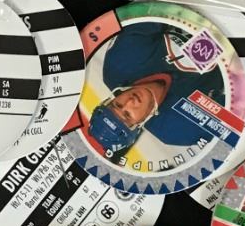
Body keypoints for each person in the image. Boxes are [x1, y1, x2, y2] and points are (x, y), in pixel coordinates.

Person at [85, 22, 229, 161]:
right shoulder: (178, 128)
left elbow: (159, 9)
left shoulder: (120, 60)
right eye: (127, 115)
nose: (129, 102)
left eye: (117, 104)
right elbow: (238, 112)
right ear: (138, 125)